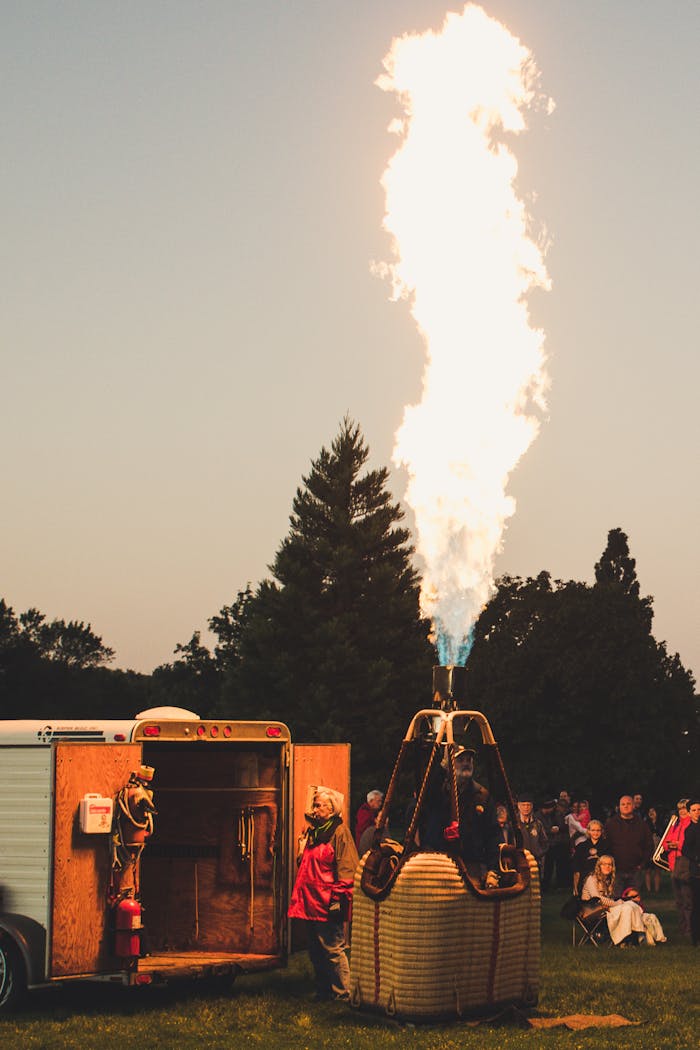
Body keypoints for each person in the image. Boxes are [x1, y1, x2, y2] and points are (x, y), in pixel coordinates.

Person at [288, 786, 359, 1000]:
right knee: (315, 950)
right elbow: (307, 865)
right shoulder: (313, 832)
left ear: (331, 809)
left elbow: (347, 869)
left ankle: (343, 993)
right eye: (315, 805)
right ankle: (323, 990)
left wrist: (338, 900)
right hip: (310, 902)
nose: (315, 809)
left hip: (328, 901)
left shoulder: (339, 832)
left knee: (333, 949)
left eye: (319, 805)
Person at [580, 855, 646, 947]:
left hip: (604, 907)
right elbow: (597, 898)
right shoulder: (592, 879)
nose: (607, 867)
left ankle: (635, 936)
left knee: (631, 905)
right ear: (599, 866)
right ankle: (624, 939)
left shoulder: (608, 880)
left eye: (610, 865)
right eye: (604, 864)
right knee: (626, 908)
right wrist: (616, 904)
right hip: (591, 910)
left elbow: (608, 898)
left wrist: (616, 903)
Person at [604, 794, 653, 890]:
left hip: (635, 870)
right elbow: (605, 845)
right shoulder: (611, 824)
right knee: (617, 901)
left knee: (633, 901)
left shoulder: (642, 825)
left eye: (628, 804)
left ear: (634, 806)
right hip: (616, 870)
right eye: (623, 804)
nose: (626, 806)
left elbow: (649, 845)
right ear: (619, 807)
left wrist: (642, 863)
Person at [665, 798, 692, 940]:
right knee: (679, 900)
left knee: (688, 898)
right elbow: (665, 843)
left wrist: (678, 845)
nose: (682, 811)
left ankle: (689, 928)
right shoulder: (675, 825)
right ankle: (682, 927)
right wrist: (671, 845)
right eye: (680, 809)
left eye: (685, 809)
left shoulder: (691, 825)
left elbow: (690, 845)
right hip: (673, 864)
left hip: (685, 863)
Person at [680, 797, 700, 947]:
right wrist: (696, 858)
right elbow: (686, 849)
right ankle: (695, 938)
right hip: (696, 871)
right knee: (696, 904)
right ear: (689, 812)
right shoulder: (689, 830)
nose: (697, 813)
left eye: (699, 809)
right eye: (694, 810)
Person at [572, 819, 609, 894]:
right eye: (593, 830)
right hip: (585, 880)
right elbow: (576, 870)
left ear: (602, 831)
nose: (595, 833)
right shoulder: (581, 846)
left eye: (598, 830)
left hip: (602, 880)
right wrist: (575, 887)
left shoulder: (607, 846)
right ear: (588, 831)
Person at [516, 795, 548, 878]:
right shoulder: (514, 823)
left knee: (535, 888)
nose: (526, 808)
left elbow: (545, 842)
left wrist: (538, 853)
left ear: (532, 806)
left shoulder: (537, 823)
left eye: (528, 805)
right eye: (523, 805)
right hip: (519, 863)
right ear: (518, 806)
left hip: (535, 861)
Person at [643, 806, 663, 894]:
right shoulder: (646, 824)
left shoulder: (660, 824)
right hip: (648, 848)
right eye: (650, 811)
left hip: (658, 848)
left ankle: (657, 890)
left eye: (653, 811)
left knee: (657, 870)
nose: (651, 813)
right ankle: (648, 889)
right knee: (648, 870)